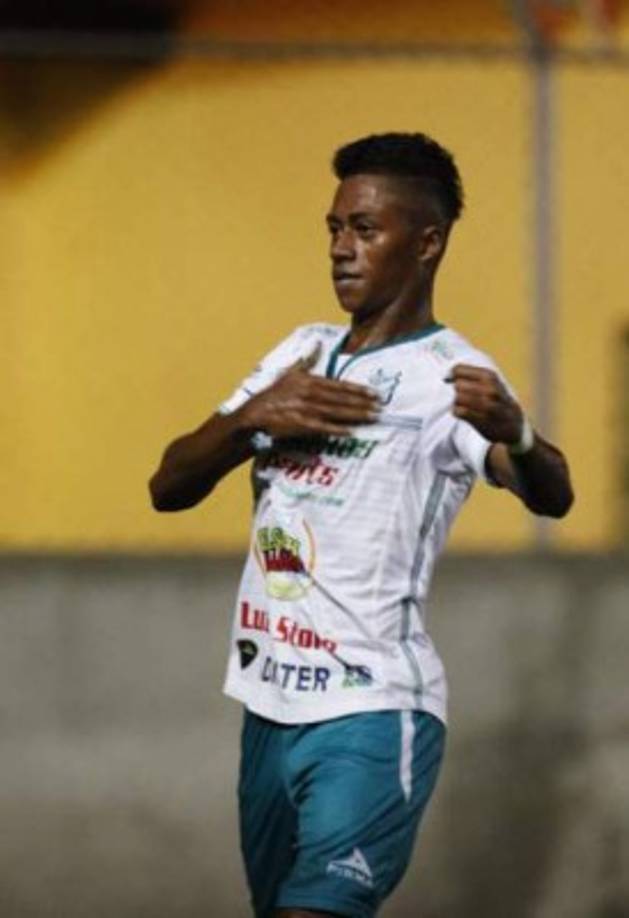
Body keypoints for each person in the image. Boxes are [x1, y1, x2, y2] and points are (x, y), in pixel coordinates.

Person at [149, 132, 573, 918]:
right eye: (334, 229)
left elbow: (550, 493)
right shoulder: (300, 353)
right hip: (268, 708)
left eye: (365, 230)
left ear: (427, 242)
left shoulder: (446, 376)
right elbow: (167, 485)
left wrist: (516, 433)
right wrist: (252, 418)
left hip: (371, 713)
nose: (342, 249)